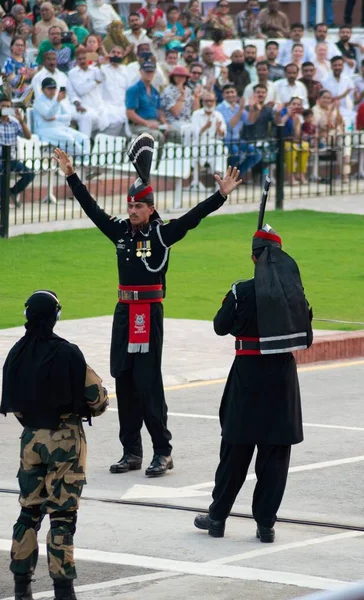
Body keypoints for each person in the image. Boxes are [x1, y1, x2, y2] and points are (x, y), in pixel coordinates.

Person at [53, 138, 242, 477]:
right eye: (130, 206)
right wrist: (72, 176)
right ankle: (131, 451)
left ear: (151, 208)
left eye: (138, 207)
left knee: (148, 382)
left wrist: (221, 195)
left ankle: (163, 451)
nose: (132, 211)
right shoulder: (120, 232)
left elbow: (192, 218)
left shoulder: (161, 234)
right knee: (123, 380)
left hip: (148, 314)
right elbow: (91, 208)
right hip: (124, 313)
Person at [194, 219, 313, 542]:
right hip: (281, 380)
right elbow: (308, 337)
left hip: (247, 376)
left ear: (253, 257)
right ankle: (265, 525)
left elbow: (221, 326)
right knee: (274, 456)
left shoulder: (241, 290)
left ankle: (217, 518)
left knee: (235, 450)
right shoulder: (296, 294)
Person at [0, 289, 108, 600]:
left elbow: (14, 404)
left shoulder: (16, 353)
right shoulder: (67, 353)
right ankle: (63, 589)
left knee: (28, 513)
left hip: (31, 439)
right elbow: (97, 399)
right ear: (55, 317)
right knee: (62, 517)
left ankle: (22, 587)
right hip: (65, 442)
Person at [0, 95, 35, 207]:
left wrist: (21, 121)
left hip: (10, 159)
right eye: (3, 106)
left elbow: (28, 136)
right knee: (0, 168)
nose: (5, 109)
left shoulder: (14, 122)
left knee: (29, 173)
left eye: (8, 107)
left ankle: (11, 192)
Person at [33, 77, 91, 155]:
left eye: (54, 88)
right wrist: (57, 102)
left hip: (60, 128)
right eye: (49, 88)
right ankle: (85, 158)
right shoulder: (39, 101)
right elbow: (48, 116)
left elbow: (68, 116)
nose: (52, 91)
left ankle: (84, 159)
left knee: (85, 138)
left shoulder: (56, 100)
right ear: (42, 90)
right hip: (45, 130)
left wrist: (57, 117)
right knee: (70, 140)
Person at [279, 96, 310, 184]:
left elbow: (297, 134)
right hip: (283, 141)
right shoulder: (283, 112)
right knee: (291, 148)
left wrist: (296, 122)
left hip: (294, 141)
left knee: (305, 146)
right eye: (293, 104)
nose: (295, 106)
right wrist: (288, 115)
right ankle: (290, 176)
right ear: (289, 105)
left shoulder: (299, 116)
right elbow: (280, 124)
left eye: (298, 104)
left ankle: (300, 173)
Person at [3, 37, 37, 102]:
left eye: (22, 45)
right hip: (15, 94)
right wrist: (27, 76)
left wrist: (33, 73)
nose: (20, 47)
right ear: (11, 47)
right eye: (17, 45)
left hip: (31, 93)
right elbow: (13, 81)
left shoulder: (28, 61)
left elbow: (36, 73)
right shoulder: (8, 62)